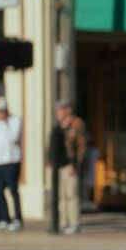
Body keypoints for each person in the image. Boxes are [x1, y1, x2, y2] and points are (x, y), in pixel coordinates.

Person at [46, 100, 88, 235]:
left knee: (71, 195)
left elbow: (82, 146)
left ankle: (74, 223)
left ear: (68, 110)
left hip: (69, 166)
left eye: (61, 109)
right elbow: (52, 145)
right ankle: (63, 222)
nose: (58, 112)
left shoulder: (76, 124)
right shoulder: (57, 125)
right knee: (61, 196)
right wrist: (49, 160)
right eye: (57, 110)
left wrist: (75, 164)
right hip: (57, 165)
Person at [0, 96, 24, 231]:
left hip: (11, 162)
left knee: (13, 191)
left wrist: (5, 122)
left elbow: (13, 138)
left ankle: (18, 219)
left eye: (0, 111)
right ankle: (4, 218)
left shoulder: (15, 120)